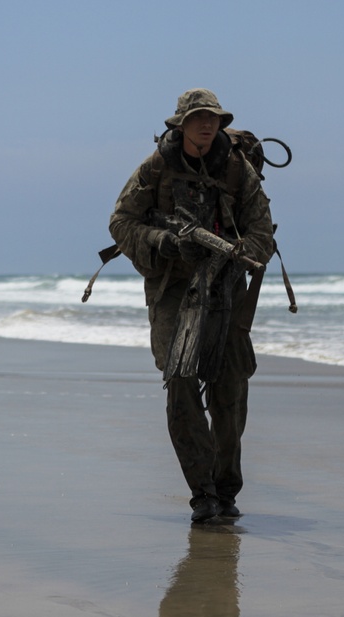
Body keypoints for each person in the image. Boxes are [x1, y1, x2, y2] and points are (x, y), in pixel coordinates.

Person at [109, 89, 274, 523]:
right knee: (181, 387)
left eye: (213, 118)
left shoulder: (239, 171)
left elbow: (262, 231)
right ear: (180, 124)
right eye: (199, 118)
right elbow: (121, 222)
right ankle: (202, 495)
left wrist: (234, 251)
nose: (207, 125)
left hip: (226, 292)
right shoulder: (156, 168)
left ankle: (226, 489)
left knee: (230, 391)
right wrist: (163, 242)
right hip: (174, 291)